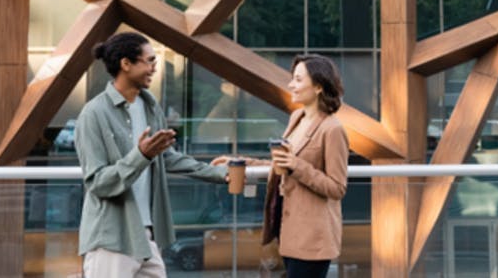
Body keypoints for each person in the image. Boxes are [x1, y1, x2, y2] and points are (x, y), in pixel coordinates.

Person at [75, 32, 228, 277]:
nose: (154, 68)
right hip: (111, 237)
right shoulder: (93, 114)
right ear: (126, 64)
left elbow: (167, 157)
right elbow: (98, 183)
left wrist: (220, 174)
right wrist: (141, 155)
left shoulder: (149, 105)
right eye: (149, 61)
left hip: (146, 233)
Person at [216, 54, 349, 278]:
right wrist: (242, 162)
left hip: (313, 240)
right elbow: (282, 166)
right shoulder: (297, 118)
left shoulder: (332, 129)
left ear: (318, 86)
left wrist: (299, 166)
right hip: (286, 231)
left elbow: (337, 187)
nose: (291, 85)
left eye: (298, 79)